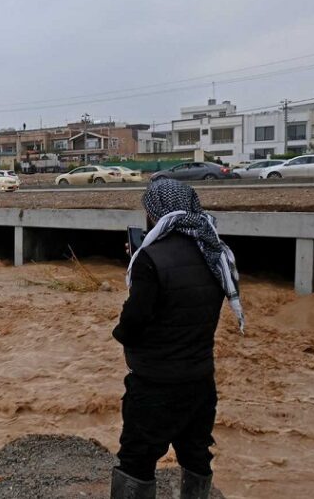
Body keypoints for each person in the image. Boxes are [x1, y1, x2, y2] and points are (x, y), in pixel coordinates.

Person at [110, 178, 244, 499]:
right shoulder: (215, 253)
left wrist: (140, 259)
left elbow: (134, 321)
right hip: (200, 382)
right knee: (196, 453)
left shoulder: (150, 259)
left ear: (155, 213)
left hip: (155, 384)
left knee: (137, 460)